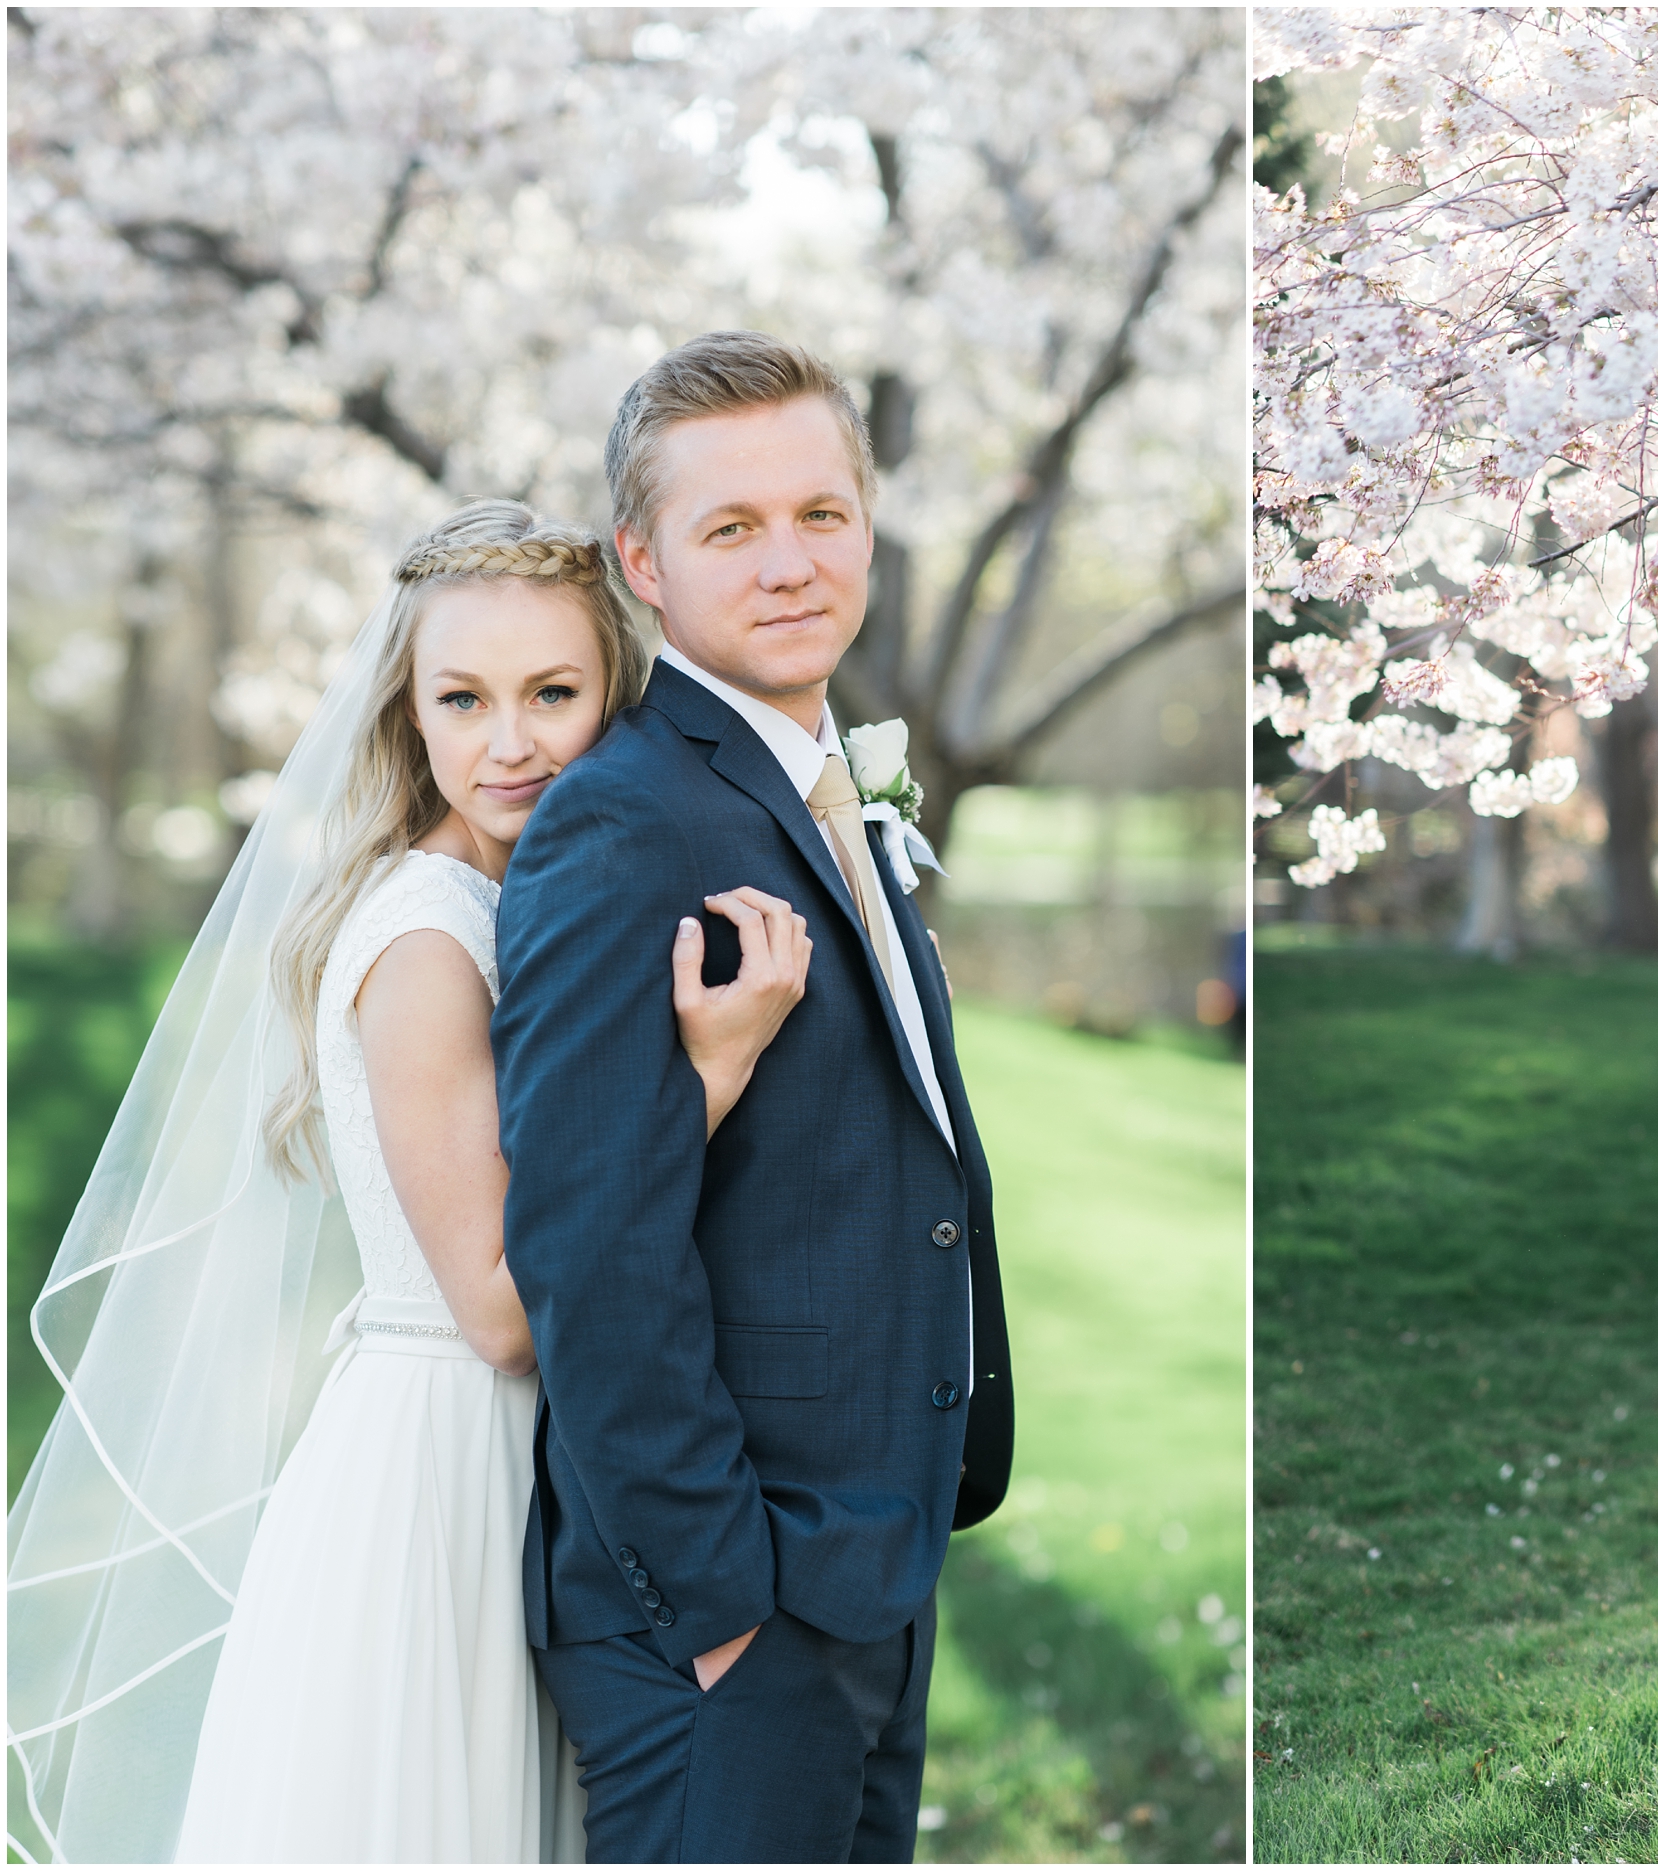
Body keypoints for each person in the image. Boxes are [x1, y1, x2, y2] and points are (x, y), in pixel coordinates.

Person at [8, 500, 813, 1863]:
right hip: (446, 1454)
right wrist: (712, 1078)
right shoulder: (428, 938)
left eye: (553, 692)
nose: (511, 741)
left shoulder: (534, 902)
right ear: (411, 712)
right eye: (465, 697)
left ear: (613, 693)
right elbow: (498, 1304)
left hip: (538, 1452)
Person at [494, 330, 1013, 1864]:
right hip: (731, 1609)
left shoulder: (819, 778)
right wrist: (723, 1605)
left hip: (873, 1557)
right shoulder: (622, 822)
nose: (791, 563)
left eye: (821, 515)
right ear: (641, 563)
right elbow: (589, 1242)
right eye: (732, 528)